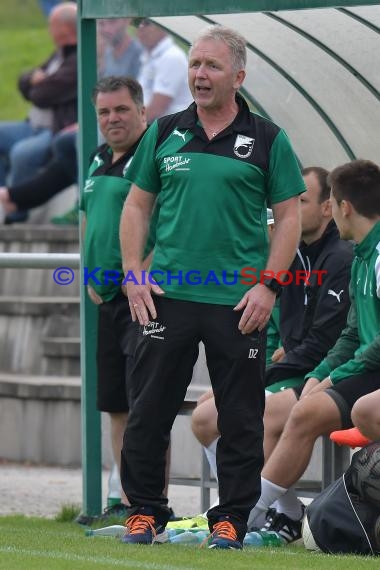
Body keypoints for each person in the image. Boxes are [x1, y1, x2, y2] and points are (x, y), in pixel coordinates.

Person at [119, 24, 305, 549]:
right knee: (149, 409)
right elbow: (137, 206)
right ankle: (146, 513)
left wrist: (269, 285)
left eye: (212, 66)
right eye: (195, 65)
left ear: (238, 76)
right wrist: (134, 272)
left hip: (237, 302)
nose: (200, 75)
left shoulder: (268, 138)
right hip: (166, 297)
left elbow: (288, 217)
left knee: (241, 418)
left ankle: (231, 519)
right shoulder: (165, 130)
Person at [191, 166, 353, 518]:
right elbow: (292, 332)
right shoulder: (296, 255)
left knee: (248, 414)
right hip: (297, 367)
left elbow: (325, 342)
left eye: (302, 200)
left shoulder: (341, 257)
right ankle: (284, 512)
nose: (291, 209)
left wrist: (264, 373)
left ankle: (243, 512)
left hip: (320, 373)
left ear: (329, 208)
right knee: (203, 416)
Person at [247, 159, 380, 544]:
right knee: (295, 407)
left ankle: (249, 512)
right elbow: (352, 334)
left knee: (310, 410)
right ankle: (272, 514)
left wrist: (335, 376)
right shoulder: (361, 256)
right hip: (365, 369)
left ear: (342, 207)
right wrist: (318, 375)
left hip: (371, 370)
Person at [78, 75, 151, 522]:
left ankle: (146, 503)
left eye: (121, 110)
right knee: (117, 404)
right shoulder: (98, 157)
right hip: (106, 297)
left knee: (147, 403)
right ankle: (124, 500)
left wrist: (140, 269)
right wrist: (88, 273)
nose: (112, 119)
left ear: (142, 110)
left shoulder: (155, 156)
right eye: (104, 112)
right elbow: (88, 220)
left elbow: (167, 221)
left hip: (142, 297)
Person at [0, 1, 77, 223]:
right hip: (31, 124)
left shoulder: (76, 59)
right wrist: (34, 82)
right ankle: (3, 194)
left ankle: (17, 211)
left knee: (22, 153)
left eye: (52, 25)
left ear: (65, 28)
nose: (48, 29)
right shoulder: (58, 55)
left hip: (54, 129)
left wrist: (37, 84)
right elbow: (25, 81)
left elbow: (42, 95)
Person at [136, 19, 193, 121]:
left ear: (163, 26)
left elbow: (157, 108)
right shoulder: (149, 56)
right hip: (157, 127)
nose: (140, 27)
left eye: (147, 23)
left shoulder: (172, 57)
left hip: (171, 130)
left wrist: (132, 127)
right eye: (138, 23)